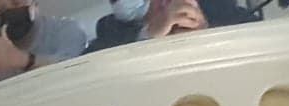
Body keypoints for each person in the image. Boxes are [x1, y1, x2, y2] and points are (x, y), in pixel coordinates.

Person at [0, 1, 88, 92]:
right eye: (1, 11)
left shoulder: (67, 30)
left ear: (34, 4)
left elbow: (76, 73)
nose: (10, 12)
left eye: (16, 2)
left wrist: (24, 60)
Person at [86, 0, 253, 52]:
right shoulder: (109, 28)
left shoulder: (219, 8)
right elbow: (82, 69)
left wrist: (207, 33)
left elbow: (259, 36)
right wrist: (145, 38)